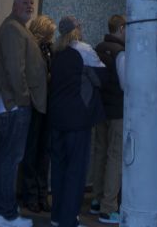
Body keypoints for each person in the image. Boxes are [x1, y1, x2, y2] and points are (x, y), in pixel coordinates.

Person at [0, 0, 46, 227]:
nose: (30, 6)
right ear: (14, 5)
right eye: (25, 2)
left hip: (9, 104)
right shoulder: (13, 28)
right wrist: (23, 99)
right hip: (13, 105)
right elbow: (14, 68)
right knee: (9, 158)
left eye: (32, 2)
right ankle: (5, 214)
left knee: (1, 156)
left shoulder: (16, 27)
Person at [48, 17, 106, 227]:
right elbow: (102, 77)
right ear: (76, 30)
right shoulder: (83, 49)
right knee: (76, 170)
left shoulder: (56, 52)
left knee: (59, 168)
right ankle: (68, 219)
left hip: (56, 117)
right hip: (78, 118)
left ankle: (56, 216)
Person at [88, 15, 127, 224]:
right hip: (117, 112)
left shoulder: (97, 48)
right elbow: (124, 84)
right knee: (115, 156)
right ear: (121, 28)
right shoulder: (120, 52)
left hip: (99, 109)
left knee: (100, 152)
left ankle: (96, 199)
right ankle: (109, 207)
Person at [19, 15, 57, 213]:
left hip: (47, 104)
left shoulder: (49, 49)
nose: (52, 36)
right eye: (50, 32)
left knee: (44, 152)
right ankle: (30, 195)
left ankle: (42, 194)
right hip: (35, 105)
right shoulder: (31, 48)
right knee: (32, 150)